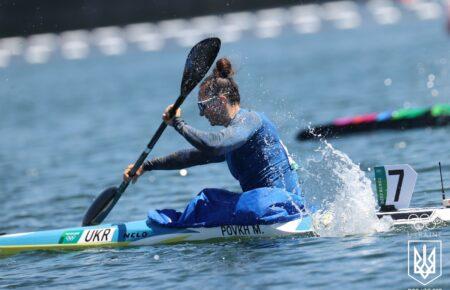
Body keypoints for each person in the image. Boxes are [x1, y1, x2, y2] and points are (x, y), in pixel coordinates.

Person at [124, 58, 304, 227]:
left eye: (203, 106)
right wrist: (146, 166)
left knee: (206, 201)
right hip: (272, 207)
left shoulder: (249, 120)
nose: (202, 114)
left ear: (221, 101)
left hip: (277, 206)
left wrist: (178, 124)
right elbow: (191, 157)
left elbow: (214, 145)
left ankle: (174, 225)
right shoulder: (234, 136)